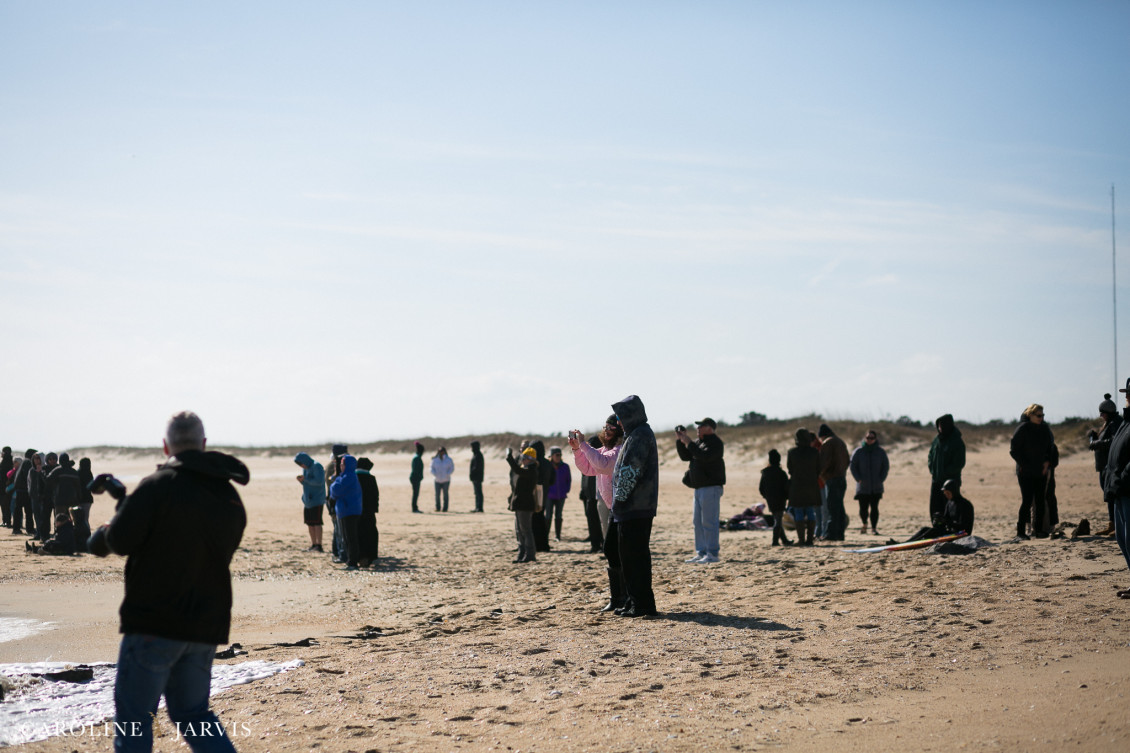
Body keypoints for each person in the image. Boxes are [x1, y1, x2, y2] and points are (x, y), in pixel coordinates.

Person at [86, 410, 247, 753]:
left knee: (134, 719)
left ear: (165, 446)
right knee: (193, 714)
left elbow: (121, 540)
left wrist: (105, 531)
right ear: (203, 444)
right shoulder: (229, 496)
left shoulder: (158, 487)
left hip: (155, 623)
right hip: (205, 624)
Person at [610, 395, 659, 617]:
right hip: (630, 508)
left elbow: (630, 472)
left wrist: (619, 501)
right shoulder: (635, 434)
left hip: (635, 507)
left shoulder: (640, 435)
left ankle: (642, 605)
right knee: (628, 557)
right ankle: (633, 601)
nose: (618, 421)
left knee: (635, 557)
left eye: (620, 416)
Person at [569, 417, 624, 610]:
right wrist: (577, 449)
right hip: (612, 508)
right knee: (610, 550)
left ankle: (622, 597)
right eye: (605, 427)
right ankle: (617, 598)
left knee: (617, 552)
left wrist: (584, 445)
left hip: (622, 509)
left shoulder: (619, 450)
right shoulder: (605, 450)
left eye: (611, 428)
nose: (606, 430)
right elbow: (587, 468)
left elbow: (603, 465)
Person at [676, 417, 726, 563]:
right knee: (697, 522)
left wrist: (689, 443)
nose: (697, 428)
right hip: (699, 487)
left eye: (701, 426)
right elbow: (686, 457)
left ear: (710, 428)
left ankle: (712, 553)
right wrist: (681, 440)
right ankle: (702, 552)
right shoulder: (699, 443)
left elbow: (704, 456)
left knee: (709, 522)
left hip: (711, 488)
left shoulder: (716, 443)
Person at [1102, 378, 1130, 598]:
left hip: (1127, 488)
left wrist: (1121, 478)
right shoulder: (1125, 421)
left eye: (1128, 394)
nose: (1126, 397)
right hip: (1120, 489)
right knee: (1122, 539)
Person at [1010, 403, 1055, 539]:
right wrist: (1023, 464)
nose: (1041, 418)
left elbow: (1050, 447)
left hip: (1041, 470)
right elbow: (1013, 450)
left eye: (1043, 415)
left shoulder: (1044, 429)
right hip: (1025, 471)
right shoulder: (1022, 429)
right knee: (1027, 501)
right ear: (1030, 415)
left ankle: (1039, 530)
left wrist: (1047, 462)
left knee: (1040, 500)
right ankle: (1020, 532)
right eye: (1038, 415)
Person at [1089, 393, 1123, 536]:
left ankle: (1118, 526)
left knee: (1113, 497)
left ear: (1108, 412)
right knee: (1109, 496)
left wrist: (1096, 443)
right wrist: (1095, 436)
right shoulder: (1110, 423)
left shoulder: (1115, 423)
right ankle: (1112, 524)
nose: (1101, 415)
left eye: (1102, 413)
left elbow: (1113, 442)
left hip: (1110, 467)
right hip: (1104, 467)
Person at [850, 430, 890, 535]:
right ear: (865, 438)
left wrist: (881, 478)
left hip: (876, 486)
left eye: (871, 438)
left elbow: (885, 466)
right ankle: (864, 524)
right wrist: (857, 478)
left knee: (874, 508)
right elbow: (852, 466)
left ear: (875, 439)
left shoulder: (880, 452)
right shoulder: (858, 451)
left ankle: (874, 528)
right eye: (868, 438)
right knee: (863, 508)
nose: (869, 440)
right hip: (862, 485)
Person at [908, 478, 974, 541]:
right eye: (945, 493)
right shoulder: (949, 503)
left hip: (961, 535)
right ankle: (905, 542)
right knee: (925, 529)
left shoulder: (965, 505)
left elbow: (963, 527)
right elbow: (946, 520)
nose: (946, 495)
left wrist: (946, 521)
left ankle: (913, 542)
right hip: (951, 532)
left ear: (954, 491)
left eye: (948, 493)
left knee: (933, 532)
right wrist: (938, 520)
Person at [787, 428, 821, 546]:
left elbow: (790, 469)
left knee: (799, 512)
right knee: (810, 511)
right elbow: (818, 469)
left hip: (797, 485)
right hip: (811, 484)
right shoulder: (814, 452)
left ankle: (801, 539)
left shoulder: (792, 452)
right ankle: (810, 539)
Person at [928, 414, 966, 520]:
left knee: (949, 507)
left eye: (942, 425)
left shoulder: (956, 441)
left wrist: (945, 473)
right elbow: (931, 455)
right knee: (935, 507)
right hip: (936, 479)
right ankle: (936, 527)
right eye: (938, 425)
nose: (940, 428)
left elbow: (959, 463)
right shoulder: (937, 440)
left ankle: (949, 528)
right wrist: (933, 469)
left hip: (950, 482)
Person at [506, 446, 539, 563]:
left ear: (530, 459)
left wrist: (509, 458)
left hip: (525, 505)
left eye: (524, 457)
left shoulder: (531, 470)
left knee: (526, 530)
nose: (522, 460)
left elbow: (517, 470)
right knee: (519, 530)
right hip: (520, 504)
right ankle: (522, 553)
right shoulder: (527, 468)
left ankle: (530, 554)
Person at [330, 454, 363, 570]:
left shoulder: (349, 476)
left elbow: (335, 490)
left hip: (350, 511)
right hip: (346, 511)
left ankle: (353, 562)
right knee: (347, 537)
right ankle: (350, 561)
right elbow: (334, 490)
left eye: (343, 464)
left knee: (350, 538)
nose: (341, 466)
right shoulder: (345, 476)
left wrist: (334, 485)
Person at [817, 424, 850, 541]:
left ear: (822, 436)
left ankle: (830, 534)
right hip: (842, 477)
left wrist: (820, 474)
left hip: (831, 478)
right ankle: (840, 534)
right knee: (839, 507)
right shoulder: (840, 442)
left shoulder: (827, 443)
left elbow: (824, 462)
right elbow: (847, 460)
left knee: (832, 507)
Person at [577, 433, 604, 553]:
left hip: (600, 497)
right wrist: (583, 491)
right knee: (592, 522)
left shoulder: (601, 460)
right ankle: (595, 545)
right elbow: (584, 476)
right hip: (589, 497)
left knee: (602, 522)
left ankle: (603, 545)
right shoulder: (588, 459)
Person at [294, 452, 325, 552]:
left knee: (317, 523)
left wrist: (305, 479)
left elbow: (319, 481)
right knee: (309, 523)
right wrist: (302, 481)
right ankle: (314, 544)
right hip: (307, 500)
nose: (301, 466)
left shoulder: (317, 466)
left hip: (317, 499)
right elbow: (307, 483)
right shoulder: (305, 468)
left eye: (301, 463)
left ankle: (319, 545)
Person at [759, 449, 791, 546]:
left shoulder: (765, 473)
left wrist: (766, 496)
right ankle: (775, 541)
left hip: (770, 499)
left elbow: (761, 488)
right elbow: (787, 487)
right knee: (778, 520)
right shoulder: (782, 473)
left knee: (777, 518)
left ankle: (784, 540)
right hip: (780, 499)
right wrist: (787, 497)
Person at [355, 457, 380, 567]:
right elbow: (375, 495)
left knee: (358, 533)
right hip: (369, 510)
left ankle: (360, 557)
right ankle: (370, 556)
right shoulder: (371, 478)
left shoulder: (354, 477)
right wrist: (375, 508)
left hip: (356, 510)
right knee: (370, 533)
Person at [545, 447, 572, 542]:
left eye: (560, 455)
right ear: (552, 456)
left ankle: (558, 536)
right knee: (548, 516)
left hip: (561, 496)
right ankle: (546, 535)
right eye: (556, 455)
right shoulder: (547, 466)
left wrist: (566, 490)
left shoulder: (565, 466)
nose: (558, 457)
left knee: (559, 516)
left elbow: (568, 480)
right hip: (549, 495)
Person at [531, 440, 553, 551]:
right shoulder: (548, 463)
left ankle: (538, 545)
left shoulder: (536, 463)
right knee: (541, 520)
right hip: (545, 493)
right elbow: (553, 479)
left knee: (535, 520)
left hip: (536, 494)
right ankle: (544, 544)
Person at [11, 449, 36, 536]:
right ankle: (29, 529)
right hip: (24, 490)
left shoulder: (24, 462)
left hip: (20, 490)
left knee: (18, 510)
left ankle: (16, 528)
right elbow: (28, 476)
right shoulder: (28, 462)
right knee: (28, 511)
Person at [430, 446, 454, 512]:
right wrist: (435, 474)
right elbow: (431, 468)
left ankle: (445, 508)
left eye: (442, 451)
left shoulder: (448, 459)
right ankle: (438, 507)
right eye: (440, 451)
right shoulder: (435, 459)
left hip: (446, 480)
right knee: (437, 494)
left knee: (445, 494)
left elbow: (452, 468)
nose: (441, 453)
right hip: (437, 479)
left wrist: (447, 474)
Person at [469, 440, 485, 512]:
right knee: (477, 493)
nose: (471, 448)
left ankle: (479, 508)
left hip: (477, 477)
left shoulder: (478, 455)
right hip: (476, 477)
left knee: (478, 492)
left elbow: (476, 467)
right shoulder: (476, 454)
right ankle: (477, 507)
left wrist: (472, 474)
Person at [409, 442, 425, 513]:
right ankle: (414, 508)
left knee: (416, 493)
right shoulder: (417, 458)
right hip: (415, 478)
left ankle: (415, 507)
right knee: (415, 493)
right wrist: (419, 477)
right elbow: (416, 470)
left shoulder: (417, 457)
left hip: (416, 478)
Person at [0, 446, 12, 527]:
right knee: (7, 505)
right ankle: (7, 521)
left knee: (4, 505)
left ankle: (6, 521)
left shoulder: (4, 462)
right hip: (9, 487)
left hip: (3, 487)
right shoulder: (12, 462)